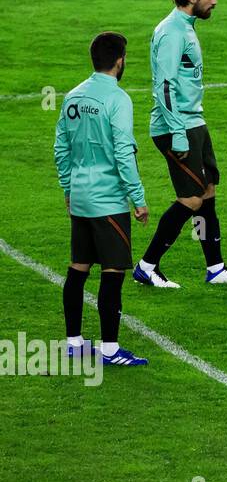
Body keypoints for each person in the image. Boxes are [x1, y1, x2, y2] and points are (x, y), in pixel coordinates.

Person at [133, 0, 227, 288]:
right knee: (192, 199)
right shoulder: (172, 32)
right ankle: (147, 265)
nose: (215, 2)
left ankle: (215, 268)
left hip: (192, 123)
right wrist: (178, 134)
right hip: (177, 128)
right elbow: (165, 86)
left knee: (208, 191)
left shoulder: (184, 27)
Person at [54, 32, 151, 366]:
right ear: (120, 60)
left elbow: (61, 148)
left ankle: (74, 343)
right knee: (113, 272)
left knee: (78, 269)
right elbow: (124, 153)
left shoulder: (73, 97)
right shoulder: (118, 99)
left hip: (80, 198)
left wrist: (69, 189)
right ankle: (110, 350)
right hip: (108, 201)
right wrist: (138, 199)